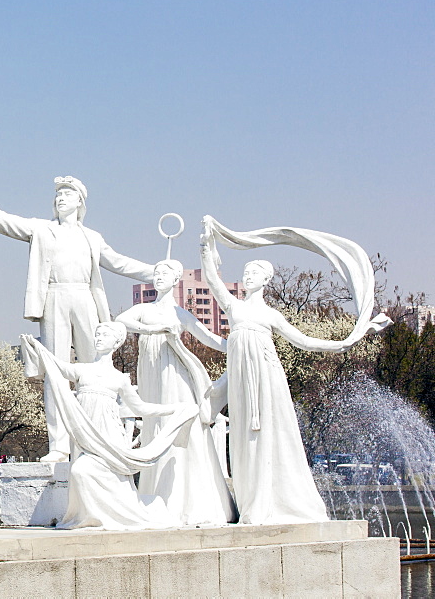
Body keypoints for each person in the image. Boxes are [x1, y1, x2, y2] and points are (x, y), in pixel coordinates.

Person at [197, 215, 390, 525]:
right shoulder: (235, 307)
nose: (248, 276)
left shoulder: (270, 315)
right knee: (244, 437)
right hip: (241, 383)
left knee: (268, 433)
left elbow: (304, 341)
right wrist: (206, 245)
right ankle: (251, 503)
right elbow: (212, 280)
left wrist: (343, 343)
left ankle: (270, 501)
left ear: (266, 280)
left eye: (255, 272)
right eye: (246, 271)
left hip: (265, 380)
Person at [0, 177, 153, 461]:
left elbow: (117, 262)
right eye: (57, 195)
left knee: (97, 370)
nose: (60, 198)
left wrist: (153, 272)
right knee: (55, 371)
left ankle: (100, 437)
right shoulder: (42, 229)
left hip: (85, 299)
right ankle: (59, 445)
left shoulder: (91, 236)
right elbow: (7, 222)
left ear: (80, 201)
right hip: (54, 298)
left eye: (67, 194)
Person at [22, 323, 197, 530]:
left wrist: (173, 409)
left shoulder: (119, 378)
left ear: (116, 343)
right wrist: (38, 348)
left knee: (94, 473)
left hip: (110, 435)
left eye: (105, 335)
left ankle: (111, 516)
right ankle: (94, 516)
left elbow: (140, 407)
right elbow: (57, 367)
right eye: (97, 334)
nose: (99, 338)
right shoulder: (83, 369)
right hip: (87, 434)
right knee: (80, 470)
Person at [116, 260, 237, 526]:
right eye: (156, 273)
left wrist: (241, 343)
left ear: (176, 281)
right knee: (154, 425)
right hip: (150, 377)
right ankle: (155, 494)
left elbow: (209, 338)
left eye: (165, 274)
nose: (158, 278)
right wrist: (152, 329)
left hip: (174, 376)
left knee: (180, 426)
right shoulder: (144, 310)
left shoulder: (180, 314)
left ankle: (187, 499)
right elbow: (121, 321)